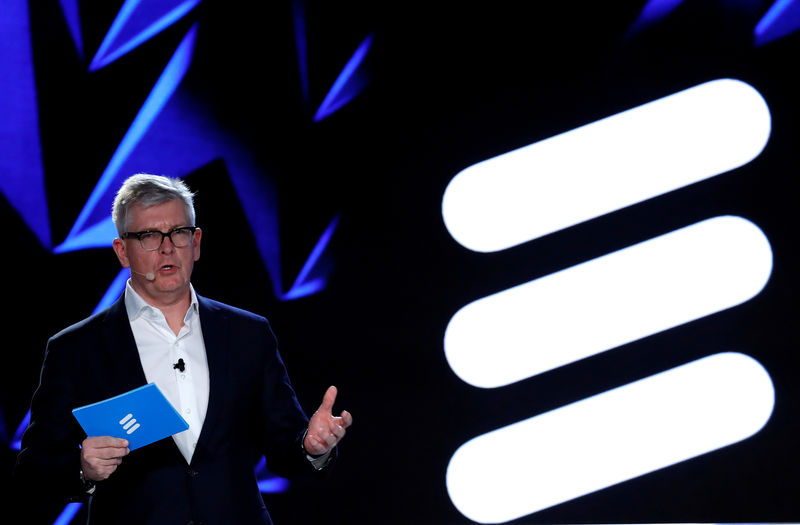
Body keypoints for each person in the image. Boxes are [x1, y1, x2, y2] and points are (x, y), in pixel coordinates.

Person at [15, 173, 352, 524]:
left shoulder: (248, 333)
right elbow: (33, 473)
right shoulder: (75, 350)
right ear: (121, 251)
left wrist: (311, 448)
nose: (167, 248)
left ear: (196, 242)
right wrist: (82, 468)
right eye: (148, 236)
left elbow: (284, 445)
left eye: (178, 233)